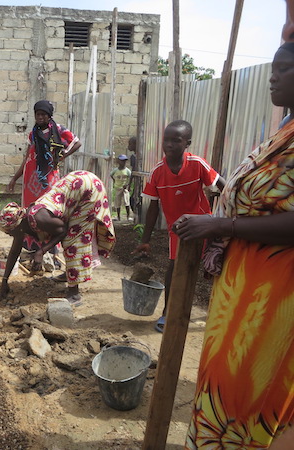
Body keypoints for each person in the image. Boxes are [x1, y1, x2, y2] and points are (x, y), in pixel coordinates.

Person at [174, 43, 294, 450]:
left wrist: (222, 223)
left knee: (248, 389)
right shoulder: (285, 131)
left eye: (286, 68)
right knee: (223, 381)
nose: (273, 76)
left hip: (276, 295)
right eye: (273, 68)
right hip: (243, 285)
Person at [134, 120, 225, 333]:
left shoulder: (197, 164)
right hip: (179, 229)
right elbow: (153, 208)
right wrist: (145, 240)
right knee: (174, 268)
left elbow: (223, 186)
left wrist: (227, 216)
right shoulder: (157, 172)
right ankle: (168, 312)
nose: (170, 144)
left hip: (203, 224)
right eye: (167, 139)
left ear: (187, 143)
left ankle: (220, 312)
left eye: (176, 140)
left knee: (216, 266)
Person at [0, 171, 115, 306]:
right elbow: (14, 251)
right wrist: (4, 281)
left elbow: (63, 230)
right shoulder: (22, 221)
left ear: (17, 227)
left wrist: (41, 251)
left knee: (72, 241)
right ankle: (69, 274)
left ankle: (74, 294)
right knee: (69, 237)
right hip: (77, 185)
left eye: (9, 233)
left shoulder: (40, 218)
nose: (10, 235)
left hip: (88, 190)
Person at [7, 100, 81, 207]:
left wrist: (61, 157)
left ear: (49, 116)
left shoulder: (58, 130)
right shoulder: (33, 134)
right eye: (38, 114)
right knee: (30, 209)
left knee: (49, 206)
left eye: (43, 114)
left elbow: (77, 143)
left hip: (49, 175)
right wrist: (14, 178)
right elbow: (27, 158)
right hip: (31, 179)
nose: (40, 117)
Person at [110, 154, 132, 221]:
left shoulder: (127, 171)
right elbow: (111, 175)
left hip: (124, 188)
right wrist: (114, 181)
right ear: (118, 161)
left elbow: (130, 178)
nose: (123, 162)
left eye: (125, 161)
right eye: (122, 161)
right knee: (117, 203)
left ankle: (128, 217)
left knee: (126, 202)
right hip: (118, 188)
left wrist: (128, 185)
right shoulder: (115, 170)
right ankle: (118, 217)